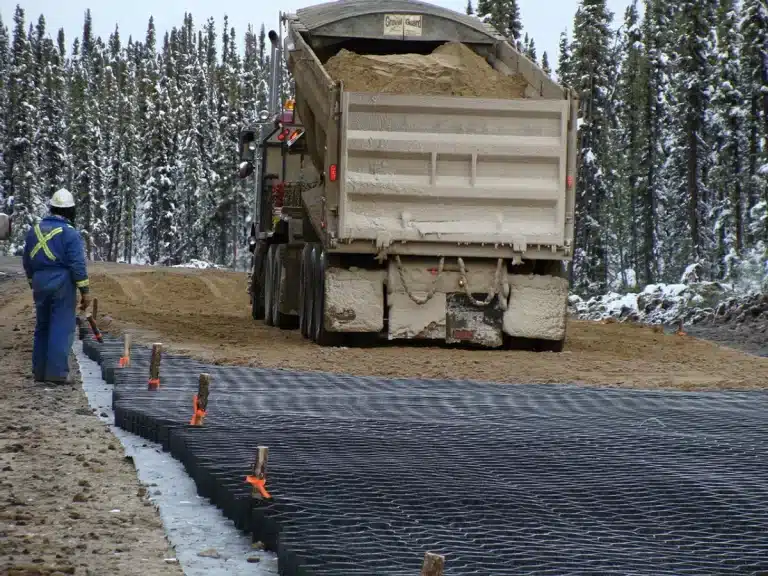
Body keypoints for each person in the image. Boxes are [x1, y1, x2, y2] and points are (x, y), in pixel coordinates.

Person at [22, 188, 91, 384]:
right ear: (70, 211)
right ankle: (57, 373)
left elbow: (27, 260)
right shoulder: (70, 233)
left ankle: (39, 371)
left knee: (42, 326)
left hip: (39, 282)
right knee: (61, 326)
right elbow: (77, 265)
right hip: (61, 284)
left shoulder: (35, 230)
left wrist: (32, 282)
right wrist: (85, 291)